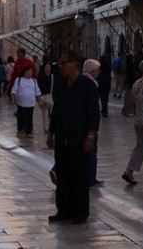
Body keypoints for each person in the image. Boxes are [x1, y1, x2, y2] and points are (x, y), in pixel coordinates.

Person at [48, 50, 100, 225]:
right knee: (63, 175)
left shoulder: (87, 86)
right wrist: (51, 132)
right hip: (62, 138)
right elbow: (56, 110)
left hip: (79, 138)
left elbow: (93, 113)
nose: (60, 67)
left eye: (63, 63)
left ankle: (80, 211)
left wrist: (90, 136)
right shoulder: (61, 85)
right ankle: (63, 210)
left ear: (74, 63)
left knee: (79, 175)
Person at [82, 58, 104, 186]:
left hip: (80, 123)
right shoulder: (91, 83)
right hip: (89, 124)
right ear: (92, 71)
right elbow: (93, 108)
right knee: (91, 152)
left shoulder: (79, 80)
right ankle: (91, 179)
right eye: (97, 70)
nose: (98, 73)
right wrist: (93, 129)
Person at [11, 63, 42, 138]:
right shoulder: (19, 80)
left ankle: (29, 131)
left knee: (29, 118)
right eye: (30, 71)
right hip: (21, 103)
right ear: (25, 72)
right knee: (20, 117)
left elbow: (37, 91)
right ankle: (20, 129)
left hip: (31, 103)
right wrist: (13, 98)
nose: (31, 72)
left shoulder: (34, 81)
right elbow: (14, 90)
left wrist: (40, 101)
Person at [37, 61, 56, 141]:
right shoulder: (40, 77)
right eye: (46, 67)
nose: (47, 68)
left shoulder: (53, 77)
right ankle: (45, 127)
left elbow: (55, 87)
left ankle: (51, 126)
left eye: (49, 67)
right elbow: (38, 88)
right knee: (44, 112)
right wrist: (39, 99)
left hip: (50, 96)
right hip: (43, 96)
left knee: (52, 113)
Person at [98, 52, 113, 117]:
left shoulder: (99, 67)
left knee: (102, 97)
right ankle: (105, 109)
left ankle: (104, 110)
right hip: (107, 83)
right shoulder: (108, 67)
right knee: (106, 97)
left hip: (101, 84)